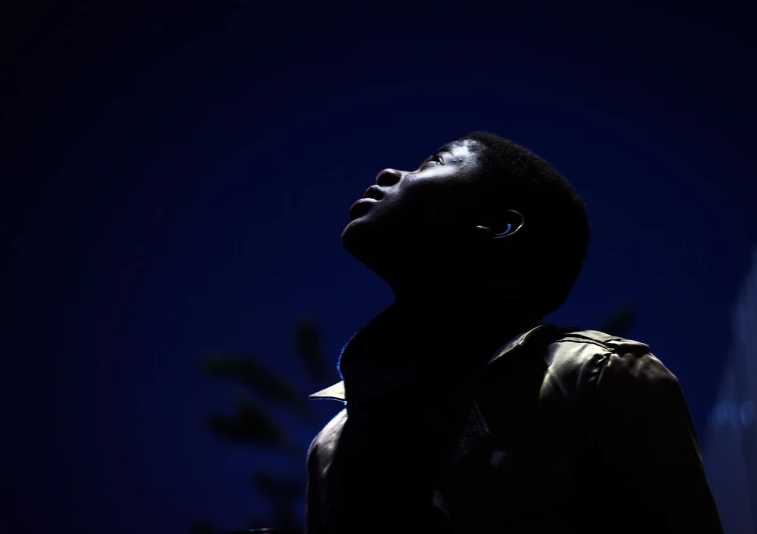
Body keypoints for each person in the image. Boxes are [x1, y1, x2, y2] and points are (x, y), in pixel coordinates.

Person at [304, 132, 722, 534]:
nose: (389, 173)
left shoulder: (597, 376)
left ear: (500, 225)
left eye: (433, 162)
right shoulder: (335, 442)